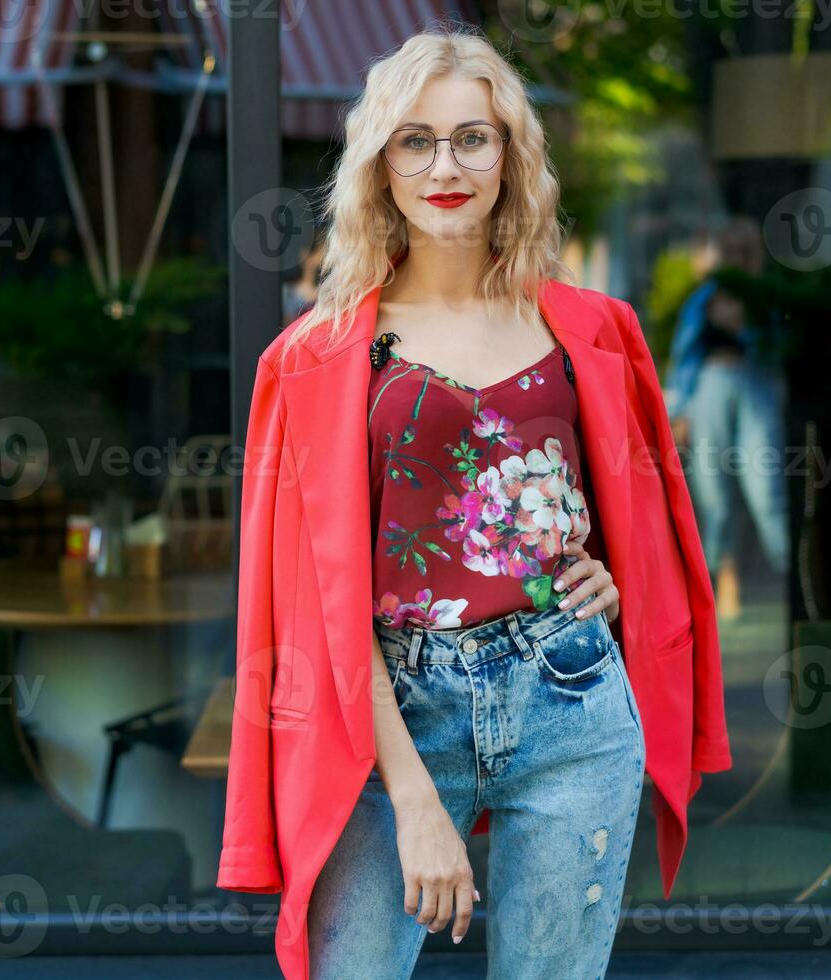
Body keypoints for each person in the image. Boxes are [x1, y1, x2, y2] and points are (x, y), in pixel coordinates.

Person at [218, 25, 732, 980]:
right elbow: (313, 600)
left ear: (510, 156)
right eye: (415, 140)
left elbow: (641, 515)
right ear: (379, 166)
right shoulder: (318, 359)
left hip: (572, 699)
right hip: (387, 713)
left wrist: (609, 580)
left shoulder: (593, 329)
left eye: (472, 137)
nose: (444, 165)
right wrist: (413, 800)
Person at [664, 218, 789, 621]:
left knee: (766, 488)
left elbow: (781, 354)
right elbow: (684, 359)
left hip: (754, 390)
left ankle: (790, 578)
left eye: (743, 250)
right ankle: (723, 581)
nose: (735, 258)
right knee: (711, 492)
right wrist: (678, 410)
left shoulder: (766, 301)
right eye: (729, 250)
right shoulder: (702, 300)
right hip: (709, 391)